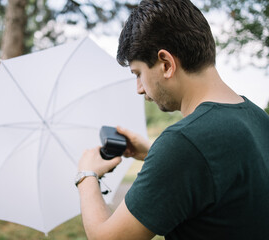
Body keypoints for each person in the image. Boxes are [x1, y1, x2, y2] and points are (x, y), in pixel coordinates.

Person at [75, 0, 269, 239]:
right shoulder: (256, 117)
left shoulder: (184, 143)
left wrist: (87, 175)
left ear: (166, 64)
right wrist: (152, 153)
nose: (138, 88)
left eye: (138, 74)